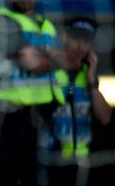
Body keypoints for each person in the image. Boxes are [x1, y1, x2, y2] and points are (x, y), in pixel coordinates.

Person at [0, 0, 64, 186]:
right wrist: (62, 58)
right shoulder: (1, 20)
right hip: (7, 115)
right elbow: (30, 61)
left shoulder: (46, 24)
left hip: (41, 116)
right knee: (4, 184)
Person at [42, 17, 111, 159]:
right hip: (52, 158)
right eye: (75, 39)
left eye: (86, 41)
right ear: (65, 38)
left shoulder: (89, 74)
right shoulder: (50, 70)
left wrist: (92, 82)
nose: (79, 46)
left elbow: (105, 118)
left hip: (82, 159)